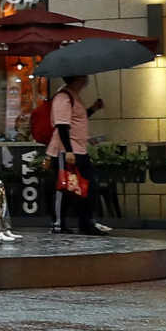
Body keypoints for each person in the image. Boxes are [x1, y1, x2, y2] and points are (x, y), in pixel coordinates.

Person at [47, 73, 111, 235]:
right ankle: (59, 224)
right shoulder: (63, 97)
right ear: (78, 79)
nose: (86, 79)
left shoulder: (74, 96)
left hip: (79, 150)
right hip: (66, 151)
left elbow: (77, 119)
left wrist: (93, 109)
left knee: (87, 187)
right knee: (65, 188)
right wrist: (68, 150)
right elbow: (62, 126)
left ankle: (86, 223)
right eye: (83, 77)